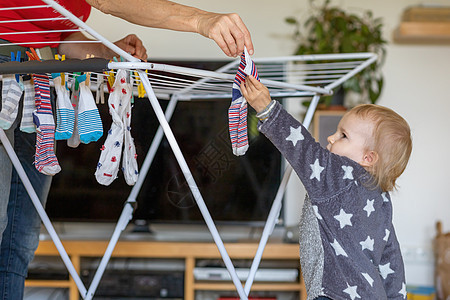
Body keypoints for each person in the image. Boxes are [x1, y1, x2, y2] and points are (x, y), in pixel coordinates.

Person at [0, 1, 254, 299]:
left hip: (37, 86)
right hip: (7, 77)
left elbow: (55, 39)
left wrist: (107, 50)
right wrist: (203, 21)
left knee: (20, 238)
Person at [240, 75, 412, 299]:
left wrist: (267, 109)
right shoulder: (381, 198)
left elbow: (304, 149)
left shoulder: (339, 175)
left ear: (368, 158)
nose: (331, 137)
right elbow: (392, 262)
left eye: (343, 135)